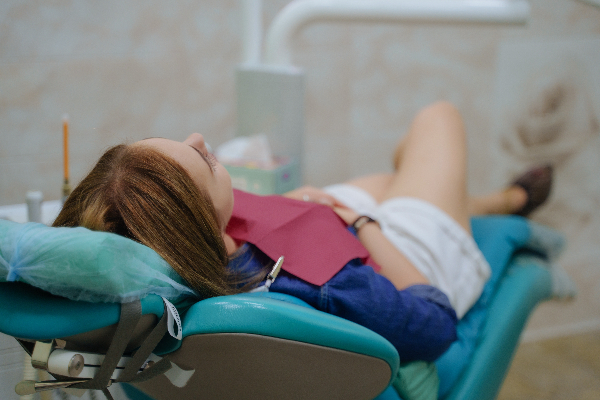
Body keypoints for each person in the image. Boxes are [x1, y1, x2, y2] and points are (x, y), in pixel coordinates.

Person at [53, 101, 552, 363]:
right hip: (403, 254)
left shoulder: (185, 250)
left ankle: (494, 201)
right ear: (197, 223)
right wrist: (363, 224)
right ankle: (510, 204)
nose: (200, 137)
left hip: (327, 219)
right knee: (438, 118)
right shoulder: (326, 284)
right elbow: (435, 323)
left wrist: (297, 210)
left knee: (394, 179)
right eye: (204, 161)